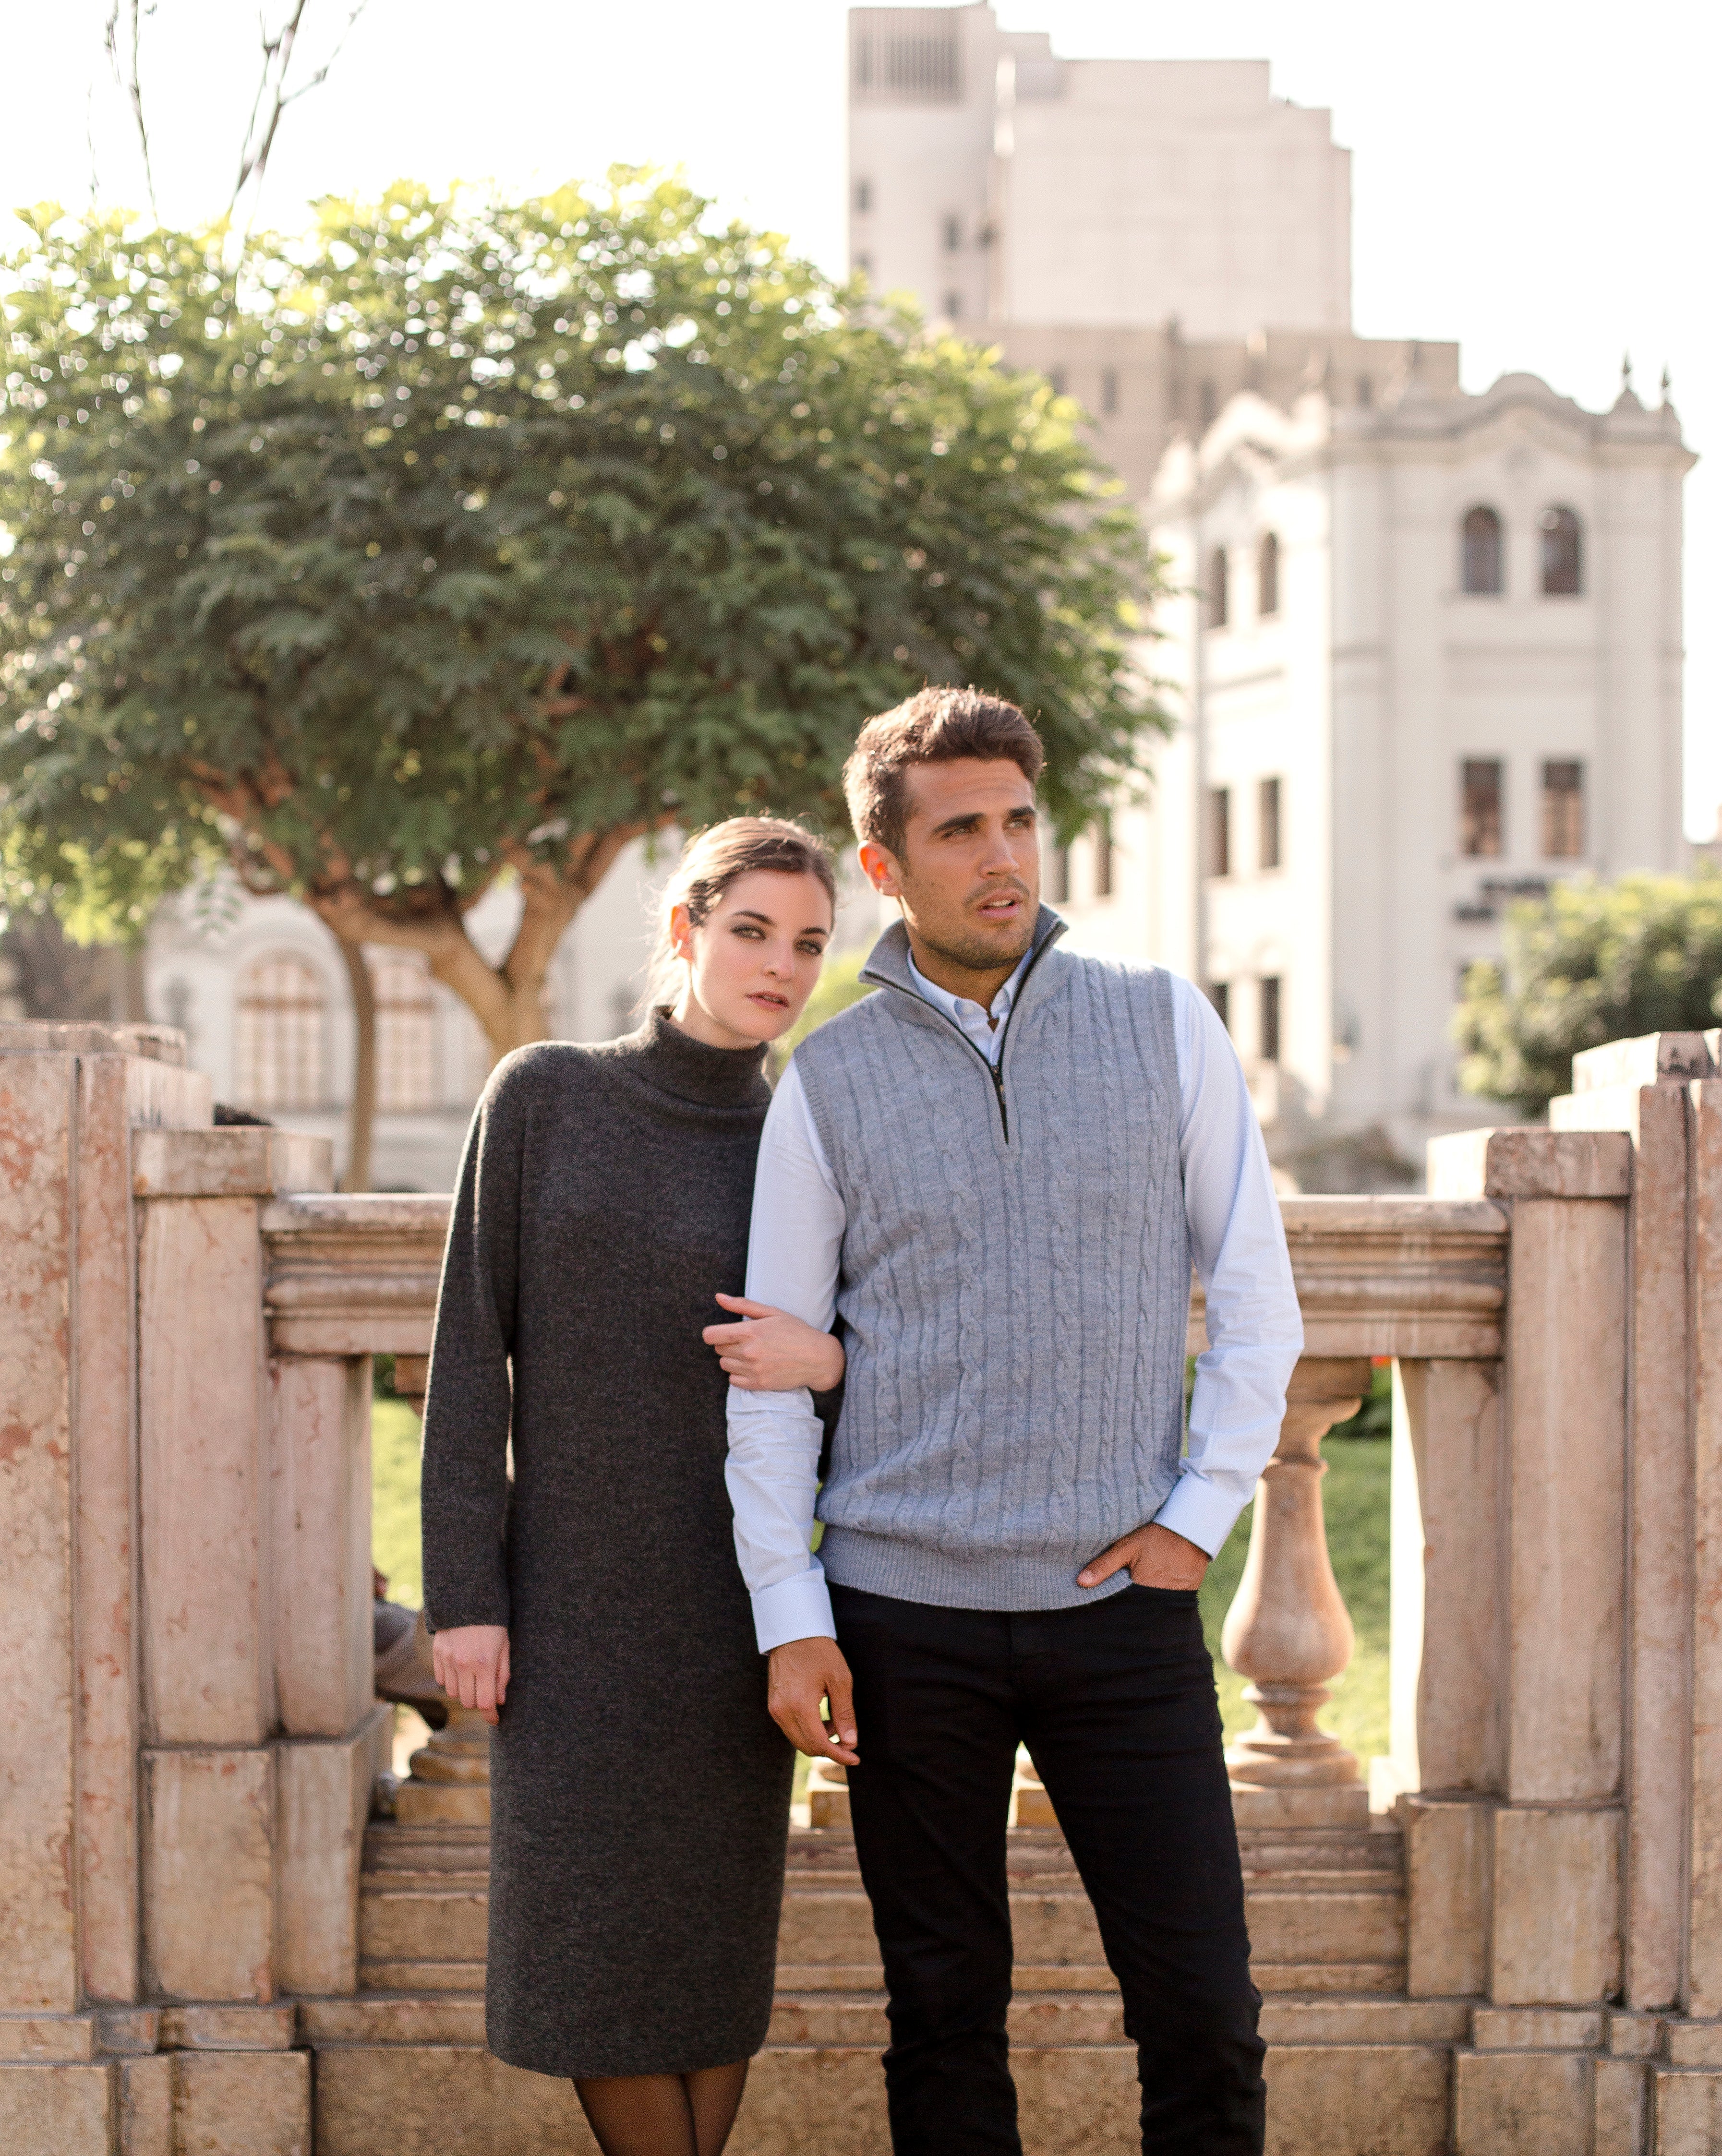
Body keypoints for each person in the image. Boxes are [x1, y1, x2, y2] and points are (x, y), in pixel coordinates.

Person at [723, 689, 1305, 2156]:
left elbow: (1256, 1297)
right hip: (900, 1619)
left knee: (1202, 2010)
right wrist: (792, 1611)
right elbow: (769, 1375)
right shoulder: (828, 1080)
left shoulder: (1160, 1020)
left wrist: (1196, 1519)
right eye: (959, 830)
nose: (1001, 856)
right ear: (884, 866)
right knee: (942, 2016)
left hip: (1119, 1608)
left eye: (1018, 820)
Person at [419, 817, 847, 2156]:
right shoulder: (544, 1096)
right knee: (589, 1970)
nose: (780, 966)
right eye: (751, 931)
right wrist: (464, 1594)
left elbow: (877, 1364)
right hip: (570, 1618)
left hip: (740, 1613)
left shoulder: (808, 1142)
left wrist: (835, 1357)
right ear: (684, 930)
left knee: (708, 1962)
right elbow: (467, 1354)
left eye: (809, 944)